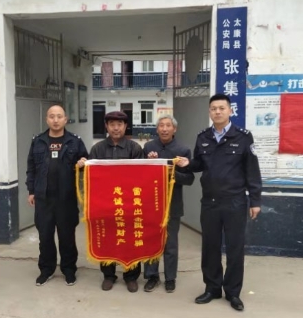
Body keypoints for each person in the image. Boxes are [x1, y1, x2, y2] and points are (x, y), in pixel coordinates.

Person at [176, 94, 262, 311]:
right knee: (210, 247)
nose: (217, 112)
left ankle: (233, 292)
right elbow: (199, 164)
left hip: (235, 202)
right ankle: (212, 288)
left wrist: (255, 200)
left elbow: (252, 170)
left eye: (222, 108)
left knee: (234, 249)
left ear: (230, 111)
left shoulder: (243, 137)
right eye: (213, 108)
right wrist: (188, 163)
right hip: (210, 203)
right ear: (209, 112)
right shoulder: (203, 137)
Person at [26, 104, 88, 287]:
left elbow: (87, 165)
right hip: (43, 198)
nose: (55, 120)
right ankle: (46, 270)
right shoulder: (38, 141)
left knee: (67, 237)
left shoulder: (75, 141)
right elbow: (31, 168)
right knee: (45, 237)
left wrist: (84, 163)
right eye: (52, 116)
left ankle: (69, 270)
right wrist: (31, 191)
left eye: (59, 116)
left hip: (66, 199)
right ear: (47, 119)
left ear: (65, 119)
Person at [86, 110, 144, 292]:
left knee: (131, 239)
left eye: (119, 124)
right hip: (105, 203)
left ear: (125, 126)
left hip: (129, 203)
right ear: (106, 126)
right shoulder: (97, 149)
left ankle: (131, 276)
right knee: (107, 237)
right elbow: (90, 176)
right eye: (112, 124)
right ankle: (108, 275)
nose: (116, 128)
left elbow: (141, 177)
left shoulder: (135, 148)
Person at [143, 114, 194, 293]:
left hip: (173, 204)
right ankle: (152, 276)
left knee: (170, 243)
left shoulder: (183, 150)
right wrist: (149, 164)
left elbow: (189, 179)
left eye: (168, 126)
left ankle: (170, 278)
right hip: (151, 203)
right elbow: (139, 176)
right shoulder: (148, 148)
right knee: (151, 240)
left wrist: (171, 173)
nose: (164, 129)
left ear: (174, 129)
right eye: (161, 126)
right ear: (157, 129)